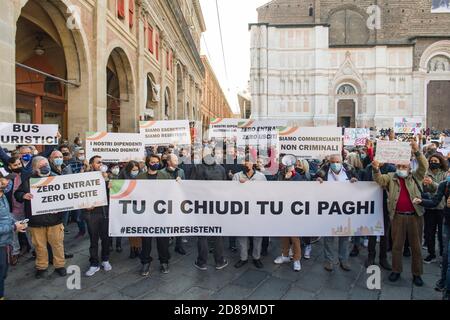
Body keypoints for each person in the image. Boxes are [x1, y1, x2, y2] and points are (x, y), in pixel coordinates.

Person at [372, 140, 427, 286]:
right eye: (399, 166)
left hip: (415, 216)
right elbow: (379, 180)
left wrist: (416, 151)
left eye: (404, 166)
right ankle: (396, 270)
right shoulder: (391, 177)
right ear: (396, 167)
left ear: (409, 167)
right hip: (397, 217)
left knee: (416, 247)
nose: (401, 168)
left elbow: (424, 166)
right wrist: (376, 169)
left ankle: (417, 274)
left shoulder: (417, 176)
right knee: (397, 246)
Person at [14, 156, 67, 279]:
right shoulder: (29, 180)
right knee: (39, 246)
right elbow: (17, 194)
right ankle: (41, 267)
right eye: (42, 166)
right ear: (35, 168)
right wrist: (23, 195)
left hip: (55, 220)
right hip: (36, 221)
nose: (45, 167)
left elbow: (66, 197)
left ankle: (59, 265)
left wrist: (61, 207)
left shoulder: (57, 178)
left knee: (57, 244)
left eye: (46, 164)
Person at [317, 154, 358, 272]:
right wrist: (317, 180)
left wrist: (355, 181)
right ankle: (329, 260)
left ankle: (343, 260)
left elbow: (359, 184)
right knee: (329, 236)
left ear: (342, 161)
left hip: (345, 209)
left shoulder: (350, 170)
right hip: (329, 208)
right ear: (329, 162)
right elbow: (314, 182)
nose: (335, 164)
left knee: (345, 236)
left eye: (337, 161)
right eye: (333, 161)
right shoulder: (323, 171)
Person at [414, 168, 450, 300]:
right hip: (448, 223)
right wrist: (421, 201)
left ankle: (447, 289)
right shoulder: (444, 185)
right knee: (446, 255)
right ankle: (443, 281)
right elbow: (435, 201)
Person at [191, 148, 228, 271]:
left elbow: (191, 187)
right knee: (217, 234)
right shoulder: (221, 169)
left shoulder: (197, 168)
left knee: (202, 235)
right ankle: (219, 261)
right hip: (217, 206)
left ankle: (202, 262)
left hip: (201, 206)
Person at [138, 154, 170, 276]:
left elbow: (172, 190)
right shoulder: (140, 177)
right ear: (147, 163)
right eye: (152, 162)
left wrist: (178, 182)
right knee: (146, 240)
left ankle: (164, 261)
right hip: (146, 214)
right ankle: (145, 262)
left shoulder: (165, 176)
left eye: (157, 162)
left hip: (161, 214)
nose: (155, 164)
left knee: (163, 240)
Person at [233, 157, 266, 269]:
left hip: (256, 210)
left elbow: (266, 192)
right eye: (244, 162)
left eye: (248, 162)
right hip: (242, 210)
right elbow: (231, 192)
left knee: (258, 234)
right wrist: (239, 185)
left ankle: (256, 257)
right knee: (242, 234)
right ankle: (243, 257)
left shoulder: (261, 177)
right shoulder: (237, 176)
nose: (246, 164)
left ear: (253, 163)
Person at [362, 161, 395, 270]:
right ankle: (371, 256)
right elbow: (364, 182)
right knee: (372, 232)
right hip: (371, 204)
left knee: (384, 233)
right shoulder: (368, 167)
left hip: (385, 205)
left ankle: (383, 258)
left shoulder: (391, 168)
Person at [0, 171, 28, 300]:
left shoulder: (3, 196)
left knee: (3, 272)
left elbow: (6, 216)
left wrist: (16, 223)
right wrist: (13, 227)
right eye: (4, 180)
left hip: (5, 242)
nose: (7, 182)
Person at [83, 156, 112, 277]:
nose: (101, 164)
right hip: (91, 214)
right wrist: (85, 206)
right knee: (93, 240)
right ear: (91, 164)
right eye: (98, 162)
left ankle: (105, 259)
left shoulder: (107, 176)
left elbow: (113, 194)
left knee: (106, 238)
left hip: (105, 212)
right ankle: (94, 263)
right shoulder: (84, 177)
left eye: (102, 162)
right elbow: (78, 195)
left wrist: (108, 182)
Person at [274, 161, 303, 271]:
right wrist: (284, 178)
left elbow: (296, 191)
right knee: (284, 234)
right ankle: (285, 255)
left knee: (294, 236)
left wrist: (288, 179)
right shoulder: (280, 175)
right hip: (283, 208)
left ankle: (296, 259)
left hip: (295, 209)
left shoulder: (298, 176)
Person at [422, 153, 448, 263]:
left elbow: (445, 189)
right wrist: (425, 184)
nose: (433, 162)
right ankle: (431, 254)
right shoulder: (425, 173)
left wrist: (433, 184)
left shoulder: (445, 173)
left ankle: (443, 256)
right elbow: (424, 190)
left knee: (442, 235)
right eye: (431, 161)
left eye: (436, 161)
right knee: (429, 232)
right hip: (430, 207)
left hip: (442, 208)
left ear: (440, 162)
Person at [119, 161, 143, 259]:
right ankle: (133, 248)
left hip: (140, 206)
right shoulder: (122, 175)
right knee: (131, 229)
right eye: (133, 170)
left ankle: (139, 248)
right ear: (129, 170)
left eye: (137, 170)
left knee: (139, 228)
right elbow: (118, 187)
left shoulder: (142, 176)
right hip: (128, 205)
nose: (135, 172)